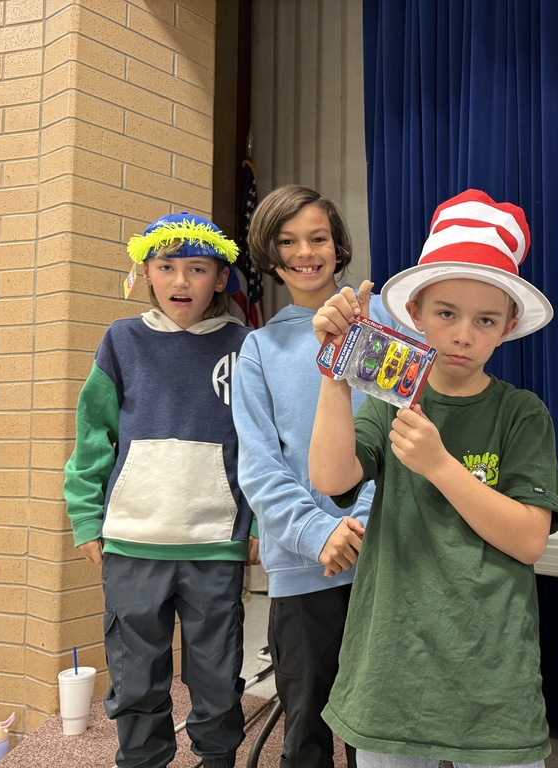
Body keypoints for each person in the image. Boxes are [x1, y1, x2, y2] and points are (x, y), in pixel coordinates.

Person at [308, 189, 558, 768]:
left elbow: (529, 539)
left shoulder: (521, 413)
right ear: (417, 314)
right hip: (392, 668)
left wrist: (440, 466)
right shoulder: (391, 400)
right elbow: (330, 476)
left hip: (492, 674)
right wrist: (336, 371)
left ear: (506, 329)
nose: (462, 335)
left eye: (484, 320)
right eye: (446, 314)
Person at [63, 213, 257, 768]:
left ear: (220, 278)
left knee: (218, 680)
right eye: (166, 267)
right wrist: (87, 519)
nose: (180, 281)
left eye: (197, 269)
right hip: (132, 543)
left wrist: (260, 525)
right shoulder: (121, 341)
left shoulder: (246, 346)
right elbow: (92, 437)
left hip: (216, 544)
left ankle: (217, 758)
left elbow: (263, 447)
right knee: (136, 680)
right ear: (145, 273)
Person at [232, 184, 396, 768]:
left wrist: (360, 520)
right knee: (306, 723)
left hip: (386, 554)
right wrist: (317, 534)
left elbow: (402, 434)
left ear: (338, 244)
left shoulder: (381, 325)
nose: (306, 252)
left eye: (318, 237)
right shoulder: (258, 347)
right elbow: (258, 464)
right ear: (271, 257)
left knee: (381, 723)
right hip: (304, 568)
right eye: (289, 241)